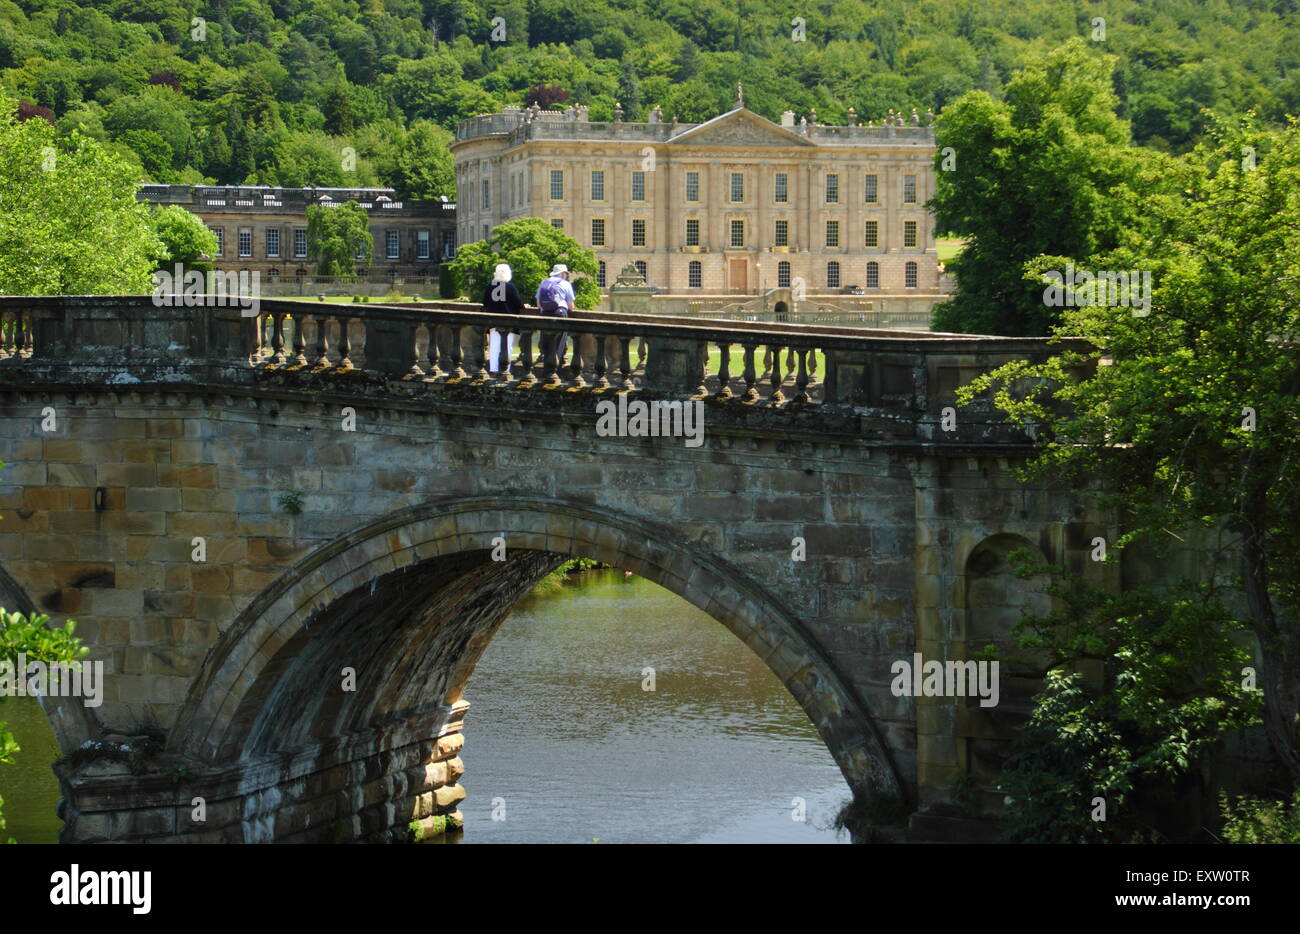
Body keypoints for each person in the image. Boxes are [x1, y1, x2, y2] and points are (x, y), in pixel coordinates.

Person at [482, 262, 523, 375]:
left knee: (494, 347)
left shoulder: (490, 286)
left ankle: (493, 370)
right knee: (507, 347)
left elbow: (485, 303)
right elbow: (518, 304)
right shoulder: (510, 287)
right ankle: (506, 369)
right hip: (508, 321)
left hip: (492, 321)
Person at [535, 263, 575, 374]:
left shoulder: (544, 282)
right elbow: (571, 306)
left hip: (545, 314)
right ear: (562, 274)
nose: (567, 276)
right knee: (559, 341)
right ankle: (554, 371)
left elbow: (538, 304)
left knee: (547, 341)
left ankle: (546, 370)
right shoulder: (565, 284)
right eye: (566, 274)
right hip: (559, 313)